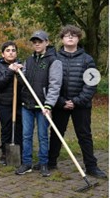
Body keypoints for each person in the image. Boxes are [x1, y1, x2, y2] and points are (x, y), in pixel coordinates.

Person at [46, 25, 107, 179]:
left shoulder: (88, 59)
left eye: (74, 35)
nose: (70, 37)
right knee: (56, 134)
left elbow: (91, 84)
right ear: (62, 39)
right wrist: (60, 102)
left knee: (84, 135)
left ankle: (91, 166)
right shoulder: (55, 59)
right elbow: (50, 83)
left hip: (81, 106)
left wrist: (77, 101)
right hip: (61, 104)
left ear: (78, 38)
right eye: (67, 35)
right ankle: (51, 162)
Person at [15, 30, 62, 177]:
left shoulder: (54, 61)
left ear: (47, 42)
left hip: (43, 106)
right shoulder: (28, 60)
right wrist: (18, 72)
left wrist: (49, 105)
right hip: (27, 104)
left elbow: (55, 85)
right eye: (34, 42)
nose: (37, 44)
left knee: (42, 136)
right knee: (26, 135)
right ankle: (27, 163)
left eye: (40, 41)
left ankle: (43, 163)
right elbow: (24, 82)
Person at [0, 41, 23, 166]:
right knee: (7, 128)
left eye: (13, 50)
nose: (11, 53)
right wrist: (10, 71)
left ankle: (19, 152)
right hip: (4, 103)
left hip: (19, 103)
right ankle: (5, 153)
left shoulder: (21, 67)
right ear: (3, 54)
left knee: (19, 128)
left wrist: (19, 72)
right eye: (8, 50)